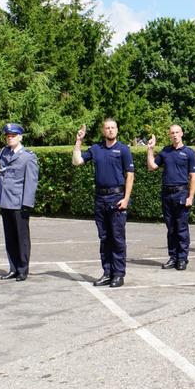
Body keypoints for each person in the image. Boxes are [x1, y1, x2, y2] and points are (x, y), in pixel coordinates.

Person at [73, 119, 134, 288]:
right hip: (100, 198)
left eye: (113, 127)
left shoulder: (123, 149)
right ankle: (107, 273)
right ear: (103, 131)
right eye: (107, 128)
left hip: (117, 198)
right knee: (104, 237)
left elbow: (130, 174)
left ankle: (118, 274)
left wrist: (126, 198)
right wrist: (79, 141)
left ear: (117, 130)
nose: (110, 130)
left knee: (117, 238)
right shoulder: (96, 149)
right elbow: (77, 161)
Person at [0, 123, 39, 282]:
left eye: (13, 136)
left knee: (22, 238)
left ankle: (22, 269)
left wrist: (27, 204)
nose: (10, 138)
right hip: (5, 200)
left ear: (19, 137)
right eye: (7, 136)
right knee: (10, 238)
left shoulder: (28, 156)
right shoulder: (3, 153)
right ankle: (13, 268)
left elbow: (31, 182)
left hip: (19, 203)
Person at [146, 125, 195, 271]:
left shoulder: (189, 153)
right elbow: (152, 167)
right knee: (171, 228)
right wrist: (150, 149)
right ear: (170, 135)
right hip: (167, 194)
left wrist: (190, 197)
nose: (175, 135)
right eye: (172, 133)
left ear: (181, 134)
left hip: (181, 194)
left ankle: (182, 258)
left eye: (177, 132)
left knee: (181, 228)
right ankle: (173, 257)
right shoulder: (165, 152)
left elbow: (193, 177)